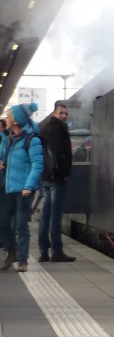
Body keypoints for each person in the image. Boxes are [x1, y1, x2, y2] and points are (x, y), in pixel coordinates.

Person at [0, 103, 44, 272]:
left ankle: (23, 260)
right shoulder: (9, 139)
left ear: (17, 120)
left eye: (9, 115)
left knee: (20, 225)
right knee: (3, 223)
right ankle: (11, 251)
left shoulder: (32, 140)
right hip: (8, 187)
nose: (6, 118)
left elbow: (37, 165)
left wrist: (29, 185)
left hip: (24, 190)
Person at [37, 100, 75, 263]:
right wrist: (65, 173)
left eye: (66, 113)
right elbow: (59, 154)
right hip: (57, 177)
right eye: (61, 113)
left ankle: (43, 252)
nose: (64, 116)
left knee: (46, 214)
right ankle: (57, 252)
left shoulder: (45, 128)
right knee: (55, 216)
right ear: (54, 112)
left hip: (46, 177)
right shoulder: (57, 129)